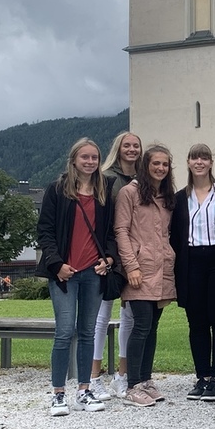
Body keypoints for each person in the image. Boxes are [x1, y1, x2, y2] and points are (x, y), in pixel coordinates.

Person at [37, 138, 118, 416]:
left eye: (94, 157)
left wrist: (109, 259)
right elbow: (45, 231)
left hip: (93, 272)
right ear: (73, 160)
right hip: (64, 273)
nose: (90, 162)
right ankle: (58, 394)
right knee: (64, 332)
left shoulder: (104, 190)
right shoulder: (57, 190)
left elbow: (111, 233)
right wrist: (56, 264)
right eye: (85, 157)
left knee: (87, 332)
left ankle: (84, 390)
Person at [169, 144, 215, 402]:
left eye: (204, 158)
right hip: (191, 261)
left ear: (211, 162)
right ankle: (202, 376)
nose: (199, 162)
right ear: (188, 161)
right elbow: (175, 236)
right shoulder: (179, 198)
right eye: (195, 158)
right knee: (196, 321)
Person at [115, 144, 177, 407]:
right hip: (139, 269)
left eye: (165, 164)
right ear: (146, 165)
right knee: (141, 326)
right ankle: (132, 386)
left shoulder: (166, 196)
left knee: (152, 328)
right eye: (156, 163)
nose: (160, 168)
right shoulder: (129, 193)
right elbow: (121, 230)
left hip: (162, 269)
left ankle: (145, 380)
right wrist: (131, 266)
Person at [89, 131, 141, 401]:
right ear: (118, 149)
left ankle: (122, 375)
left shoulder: (144, 179)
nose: (131, 149)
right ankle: (93, 377)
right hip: (110, 253)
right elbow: (99, 219)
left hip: (135, 253)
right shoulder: (106, 177)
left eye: (136, 145)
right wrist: (104, 254)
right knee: (102, 316)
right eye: (126, 145)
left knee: (129, 315)